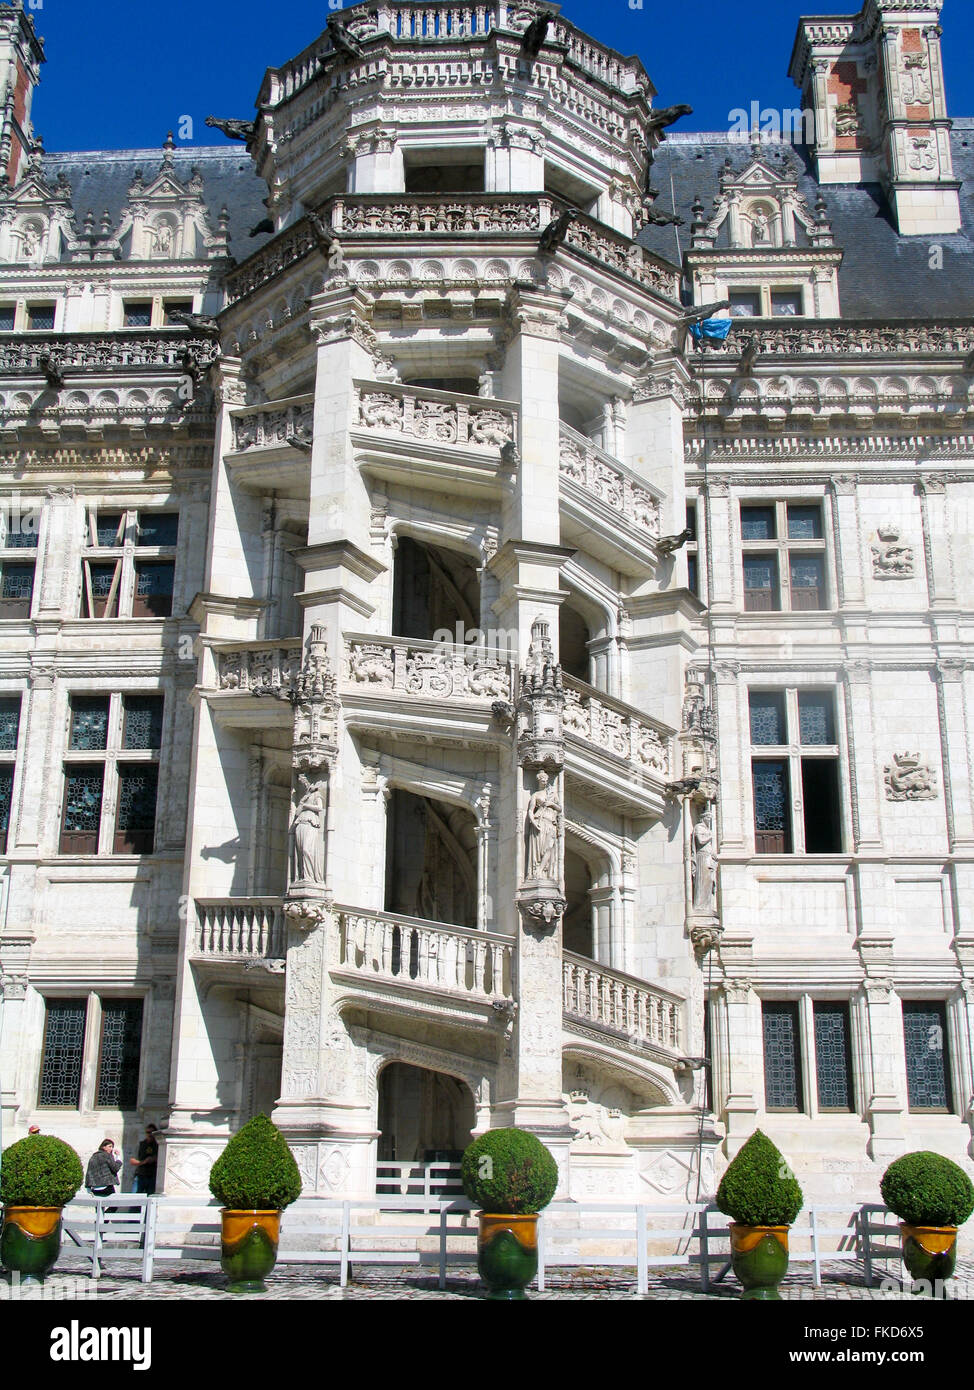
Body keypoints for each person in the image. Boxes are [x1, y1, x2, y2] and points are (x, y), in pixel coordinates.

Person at [129, 1124, 159, 1194]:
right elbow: (132, 1161)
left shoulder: (158, 1145)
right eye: (148, 1132)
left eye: (152, 1132)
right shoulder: (141, 1144)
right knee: (134, 1197)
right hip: (141, 1175)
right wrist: (144, 1162)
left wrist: (154, 1159)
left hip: (153, 1176)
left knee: (150, 1198)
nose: (150, 1134)